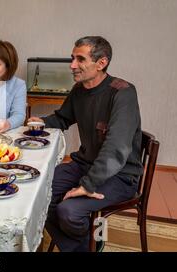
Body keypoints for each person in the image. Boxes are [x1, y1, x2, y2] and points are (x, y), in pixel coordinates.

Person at [28, 36, 142, 252]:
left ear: (101, 63)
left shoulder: (123, 92)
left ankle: (87, 243)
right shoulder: (79, 90)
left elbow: (116, 148)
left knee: (68, 212)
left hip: (120, 175)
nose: (72, 66)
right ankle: (88, 245)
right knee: (36, 195)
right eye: (72, 58)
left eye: (80, 59)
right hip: (84, 164)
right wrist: (42, 122)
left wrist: (87, 184)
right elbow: (63, 118)